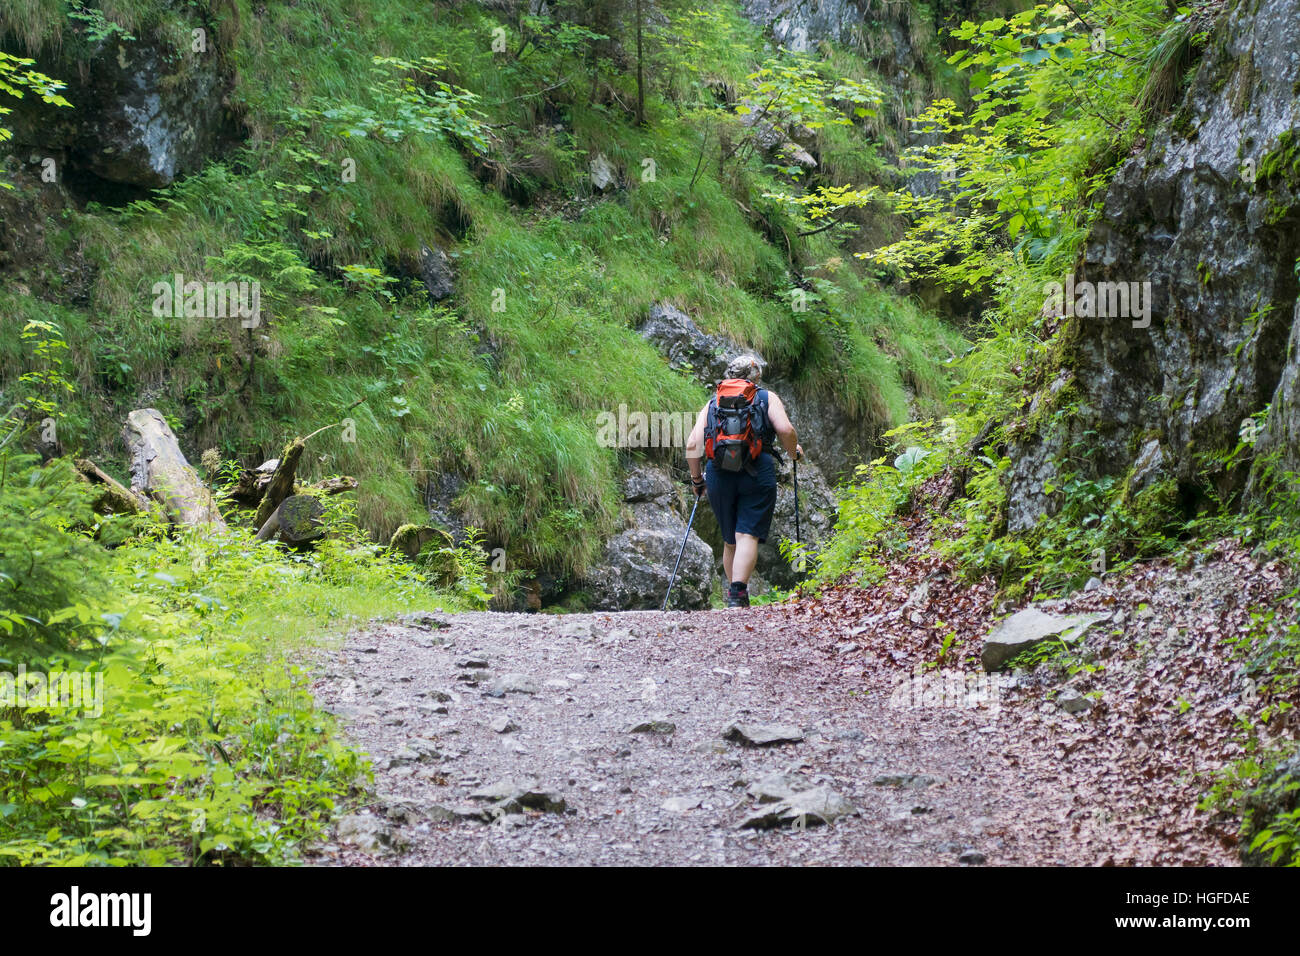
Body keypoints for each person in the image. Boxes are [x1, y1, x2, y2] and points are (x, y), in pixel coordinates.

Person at [685, 354, 803, 608]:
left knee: (730, 540)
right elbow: (785, 430)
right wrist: (794, 452)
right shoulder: (766, 397)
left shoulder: (713, 402)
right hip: (757, 471)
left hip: (718, 474)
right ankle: (738, 593)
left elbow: (692, 444)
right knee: (746, 534)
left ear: (729, 374)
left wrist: (697, 481)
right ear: (756, 376)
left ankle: (735, 598)